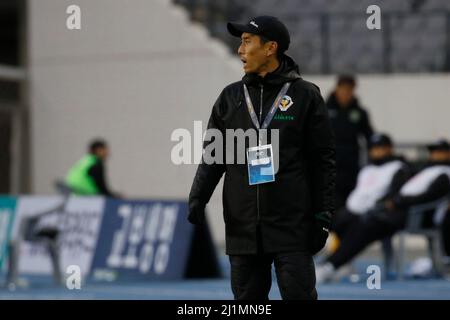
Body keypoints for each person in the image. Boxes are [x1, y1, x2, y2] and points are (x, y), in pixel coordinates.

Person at [188, 16, 336, 300]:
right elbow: (213, 155)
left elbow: (323, 160)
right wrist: (198, 196)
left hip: (291, 225)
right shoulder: (229, 97)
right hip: (242, 226)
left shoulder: (306, 96)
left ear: (270, 48)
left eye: (246, 42)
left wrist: (323, 214)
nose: (240, 51)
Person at [316, 139, 450, 283]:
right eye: (433, 151)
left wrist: (397, 202)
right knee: (347, 221)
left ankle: (330, 266)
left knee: (364, 227)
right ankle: (329, 263)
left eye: (439, 151)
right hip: (397, 211)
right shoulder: (426, 170)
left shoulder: (444, 173)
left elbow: (430, 196)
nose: (434, 155)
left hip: (412, 215)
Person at [326, 75, 374, 209]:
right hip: (329, 164)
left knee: (350, 201)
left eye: (349, 90)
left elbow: (369, 136)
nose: (346, 94)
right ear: (337, 89)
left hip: (351, 165)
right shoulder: (323, 110)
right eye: (343, 89)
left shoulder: (359, 112)